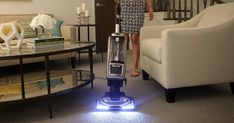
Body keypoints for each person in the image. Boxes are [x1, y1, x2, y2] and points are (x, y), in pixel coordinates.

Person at [119, 0, 154, 77]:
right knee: (124, 39)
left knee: (135, 38)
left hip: (138, 10)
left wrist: (150, 7)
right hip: (125, 9)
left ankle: (135, 68)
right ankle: (121, 65)